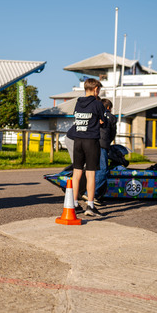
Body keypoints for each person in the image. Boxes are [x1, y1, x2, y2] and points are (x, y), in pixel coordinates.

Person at [66, 78, 107, 217]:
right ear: (96, 89)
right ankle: (90, 205)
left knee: (77, 174)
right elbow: (104, 122)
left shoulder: (78, 103)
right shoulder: (97, 104)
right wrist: (99, 121)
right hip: (91, 142)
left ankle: (74, 204)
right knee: (90, 174)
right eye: (99, 90)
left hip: (78, 140)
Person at [90, 98, 117, 204]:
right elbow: (112, 133)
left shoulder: (94, 114)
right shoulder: (111, 117)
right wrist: (108, 143)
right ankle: (91, 194)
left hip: (91, 143)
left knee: (92, 169)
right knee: (103, 170)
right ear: (109, 107)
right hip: (102, 145)